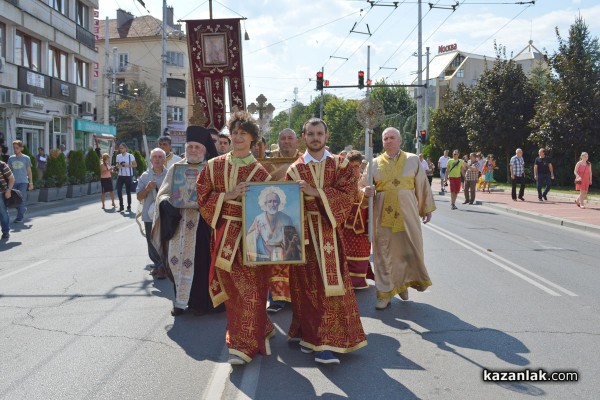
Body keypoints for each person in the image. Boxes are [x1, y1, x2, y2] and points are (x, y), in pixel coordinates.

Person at [286, 117, 367, 365]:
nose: (315, 137)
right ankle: (310, 336)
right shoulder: (294, 170)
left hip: (331, 234)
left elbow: (349, 195)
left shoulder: (340, 165)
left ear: (326, 136)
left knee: (332, 290)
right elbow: (287, 207)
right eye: (310, 133)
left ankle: (327, 344)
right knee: (306, 290)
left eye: (319, 133)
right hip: (304, 237)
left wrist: (315, 192)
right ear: (304, 137)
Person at [197, 111, 274, 365]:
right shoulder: (214, 165)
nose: (238, 137)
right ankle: (259, 327)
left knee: (250, 290)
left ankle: (243, 345)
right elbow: (202, 196)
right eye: (235, 133)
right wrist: (227, 196)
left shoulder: (260, 172)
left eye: (244, 133)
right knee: (233, 290)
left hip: (254, 238)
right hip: (225, 237)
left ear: (253, 138)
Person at [362, 127, 435, 309]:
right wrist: (365, 191)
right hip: (383, 215)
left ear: (400, 140)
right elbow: (361, 187)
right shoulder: (374, 163)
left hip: (407, 214)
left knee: (408, 250)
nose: (388, 141)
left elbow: (422, 185)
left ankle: (403, 284)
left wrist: (426, 208)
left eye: (392, 137)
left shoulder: (412, 160)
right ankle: (384, 293)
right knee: (383, 254)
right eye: (385, 138)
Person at [153, 126, 221, 316]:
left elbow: (219, 194)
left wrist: (206, 202)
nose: (192, 150)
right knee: (176, 262)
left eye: (197, 147)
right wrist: (166, 203)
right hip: (179, 225)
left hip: (203, 225)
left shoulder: (211, 169)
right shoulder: (176, 168)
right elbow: (163, 193)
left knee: (201, 265)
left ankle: (200, 305)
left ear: (204, 150)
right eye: (189, 146)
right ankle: (180, 303)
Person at [264, 128, 301, 313]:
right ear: (278, 142)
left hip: (300, 215)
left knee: (298, 258)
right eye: (283, 138)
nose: (286, 141)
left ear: (297, 141)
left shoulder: (304, 160)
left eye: (290, 138)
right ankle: (277, 298)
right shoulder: (269, 163)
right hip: (276, 217)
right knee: (276, 258)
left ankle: (297, 296)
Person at [342, 150, 373, 289]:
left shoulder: (363, 180)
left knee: (361, 249)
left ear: (360, 166)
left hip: (361, 223)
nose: (354, 168)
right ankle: (346, 279)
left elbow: (363, 196)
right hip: (345, 223)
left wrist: (366, 194)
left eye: (357, 166)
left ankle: (358, 280)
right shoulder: (341, 180)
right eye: (351, 165)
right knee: (346, 251)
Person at [137, 148, 168, 278]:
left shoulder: (170, 174)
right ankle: (158, 265)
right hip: (149, 215)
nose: (157, 159)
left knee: (165, 240)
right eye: (155, 156)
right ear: (150, 159)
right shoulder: (145, 176)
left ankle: (163, 266)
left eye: (160, 156)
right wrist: (147, 189)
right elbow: (139, 197)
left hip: (166, 214)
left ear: (164, 159)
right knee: (151, 241)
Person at [246, 186, 298, 262]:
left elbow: (293, 238)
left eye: (275, 201)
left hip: (283, 255)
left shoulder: (287, 219)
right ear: (265, 203)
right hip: (264, 255)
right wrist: (256, 234)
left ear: (279, 203)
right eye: (270, 201)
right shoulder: (259, 219)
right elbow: (248, 238)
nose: (273, 204)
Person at [8, 140, 33, 223]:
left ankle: (19, 217)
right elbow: (8, 170)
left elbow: (29, 171)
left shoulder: (26, 158)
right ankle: (22, 209)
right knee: (13, 200)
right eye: (14, 148)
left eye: (17, 148)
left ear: (21, 148)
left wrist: (31, 183)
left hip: (23, 182)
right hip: (13, 182)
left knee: (21, 200)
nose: (15, 150)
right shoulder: (11, 158)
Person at [115, 143, 137, 212]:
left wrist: (127, 165)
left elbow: (135, 165)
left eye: (122, 148)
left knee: (128, 192)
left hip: (128, 176)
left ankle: (129, 206)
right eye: (120, 148)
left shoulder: (130, 156)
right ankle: (121, 206)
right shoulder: (118, 156)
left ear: (125, 148)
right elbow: (117, 165)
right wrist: (118, 165)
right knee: (119, 191)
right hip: (120, 175)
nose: (120, 149)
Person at [0, 160, 15, 239]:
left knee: (2, 212)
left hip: (1, 192)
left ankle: (5, 231)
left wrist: (8, 190)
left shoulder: (2, 165)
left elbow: (11, 178)